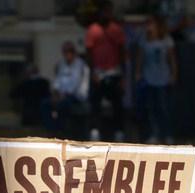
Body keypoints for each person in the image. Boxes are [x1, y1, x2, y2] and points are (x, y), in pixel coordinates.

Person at [84, 0, 127, 141]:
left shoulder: (116, 30)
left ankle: (119, 131)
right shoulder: (93, 30)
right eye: (104, 12)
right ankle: (95, 130)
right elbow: (89, 53)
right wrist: (93, 72)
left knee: (117, 103)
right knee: (95, 103)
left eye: (108, 12)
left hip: (114, 71)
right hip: (98, 72)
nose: (106, 15)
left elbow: (121, 52)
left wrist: (123, 75)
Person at [135, 14, 176, 144]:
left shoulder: (166, 40)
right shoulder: (144, 40)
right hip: (149, 78)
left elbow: (172, 59)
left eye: (151, 24)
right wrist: (138, 73)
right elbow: (140, 58)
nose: (149, 27)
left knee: (163, 108)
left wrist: (174, 74)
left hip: (163, 79)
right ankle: (154, 133)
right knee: (151, 108)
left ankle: (167, 134)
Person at [42, 41, 89, 137]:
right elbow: (57, 81)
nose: (67, 54)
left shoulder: (80, 64)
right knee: (45, 104)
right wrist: (55, 92)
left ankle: (61, 132)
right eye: (65, 52)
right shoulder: (62, 64)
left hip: (77, 96)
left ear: (74, 52)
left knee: (62, 105)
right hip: (61, 95)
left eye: (69, 51)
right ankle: (51, 130)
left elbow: (75, 84)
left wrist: (62, 95)